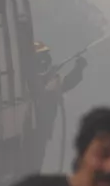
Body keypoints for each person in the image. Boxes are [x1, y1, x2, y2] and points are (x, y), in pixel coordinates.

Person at [33, 41, 87, 171]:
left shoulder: (50, 78)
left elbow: (67, 83)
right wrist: (47, 76)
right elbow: (37, 92)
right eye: (43, 56)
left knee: (35, 164)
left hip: (42, 131)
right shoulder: (29, 78)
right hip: (32, 131)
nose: (46, 60)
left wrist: (78, 68)